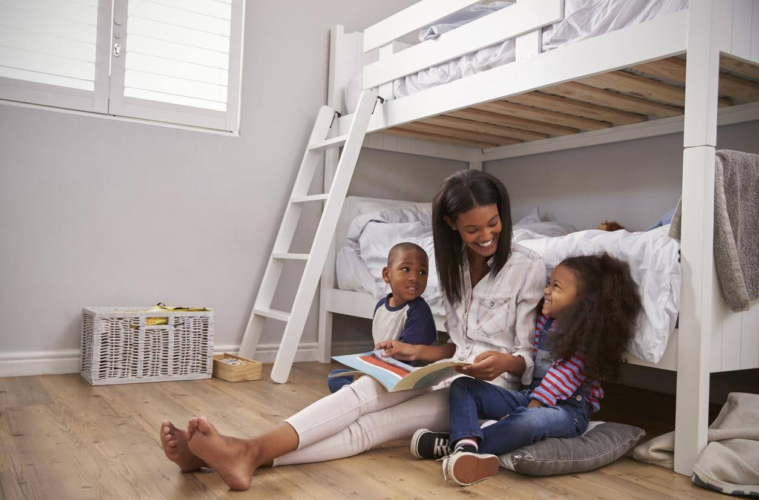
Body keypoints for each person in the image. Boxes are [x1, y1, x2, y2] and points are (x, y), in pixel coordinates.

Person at [159, 170, 546, 490]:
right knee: (364, 390)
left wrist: (503, 363)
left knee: (373, 426)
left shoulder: (528, 267)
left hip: (485, 391)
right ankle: (235, 453)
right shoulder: (453, 265)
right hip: (447, 370)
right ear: (451, 225)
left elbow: (526, 360)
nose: (485, 236)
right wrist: (417, 353)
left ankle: (243, 453)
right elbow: (458, 346)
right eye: (471, 229)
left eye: (493, 224)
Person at [412, 253, 642, 487]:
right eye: (548, 283)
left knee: (528, 422)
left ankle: (459, 445)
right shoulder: (545, 322)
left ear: (581, 301)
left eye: (556, 286)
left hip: (568, 411)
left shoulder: (586, 338)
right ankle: (465, 446)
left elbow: (560, 376)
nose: (546, 291)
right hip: (531, 396)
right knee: (463, 386)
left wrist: (528, 410)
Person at [327, 241, 438, 392]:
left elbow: (402, 358)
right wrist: (364, 372)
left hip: (406, 379)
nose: (414, 277)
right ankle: (358, 394)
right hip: (385, 370)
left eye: (422, 272)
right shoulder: (381, 306)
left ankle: (358, 396)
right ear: (387, 275)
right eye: (406, 269)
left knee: (356, 384)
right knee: (335, 377)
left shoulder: (419, 311)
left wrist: (368, 374)